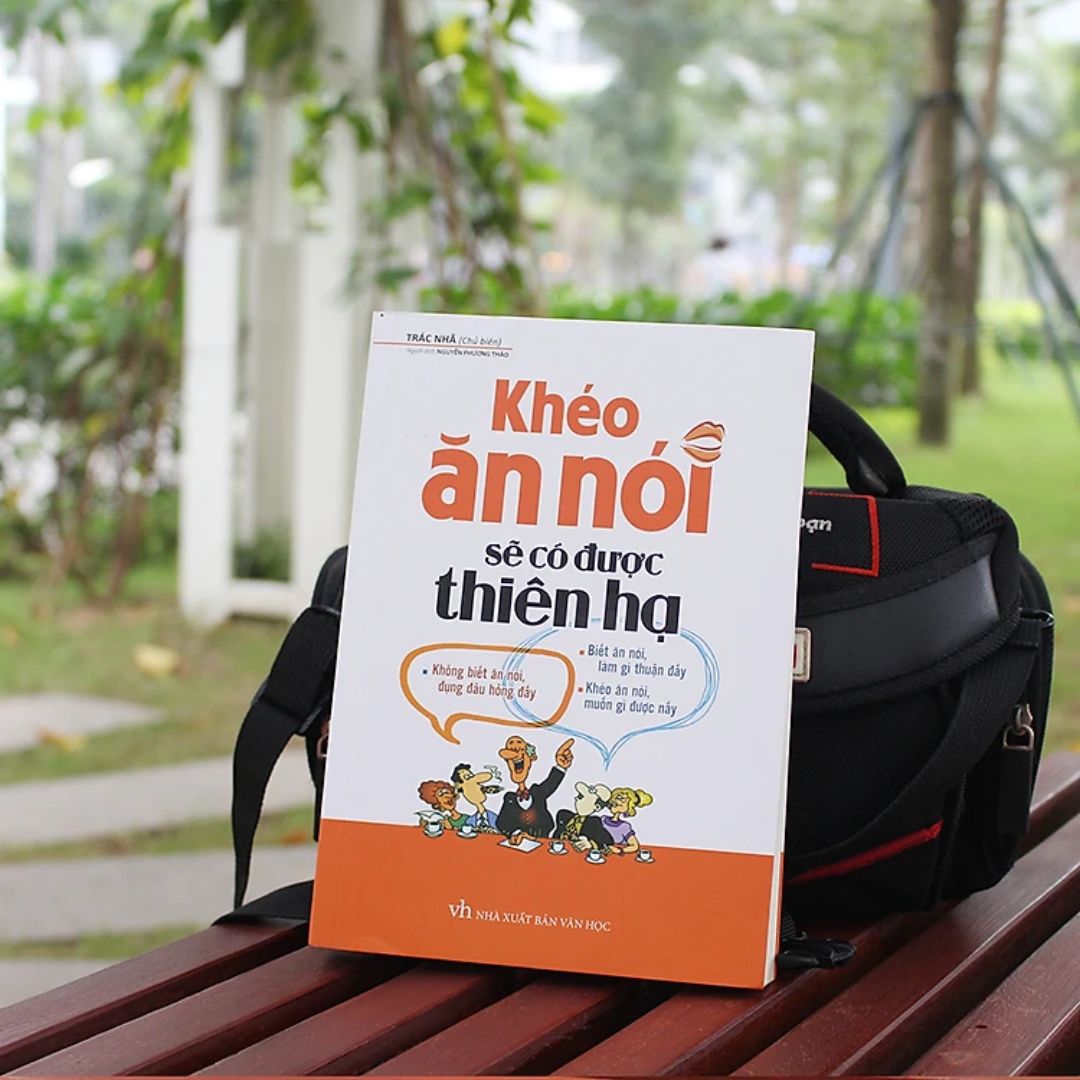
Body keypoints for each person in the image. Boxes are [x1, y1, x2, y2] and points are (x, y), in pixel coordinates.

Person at [495, 735, 574, 843]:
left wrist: (561, 767)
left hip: (543, 843)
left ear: (530, 762)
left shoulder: (537, 792)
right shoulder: (509, 799)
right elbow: (501, 823)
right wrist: (516, 833)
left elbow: (551, 783)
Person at [554, 781, 615, 852]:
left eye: (581, 797)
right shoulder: (563, 815)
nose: (576, 798)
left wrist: (591, 844)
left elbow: (608, 841)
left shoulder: (594, 823)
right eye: (578, 795)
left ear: (596, 807)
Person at [600, 787, 652, 855]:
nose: (617, 801)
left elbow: (635, 846)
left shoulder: (624, 827)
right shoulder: (602, 819)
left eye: (622, 799)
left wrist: (618, 850)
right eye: (617, 798)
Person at [451, 762, 501, 832]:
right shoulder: (469, 822)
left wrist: (471, 779)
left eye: (478, 783)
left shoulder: (496, 819)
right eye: (467, 777)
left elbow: (488, 776)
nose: (480, 786)